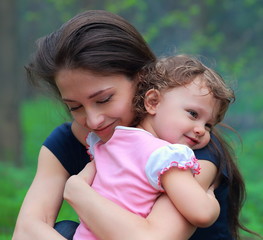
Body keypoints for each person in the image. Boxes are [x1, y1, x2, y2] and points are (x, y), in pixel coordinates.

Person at [12, 10, 255, 240]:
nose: (94, 120)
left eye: (104, 99)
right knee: (65, 230)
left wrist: (78, 191)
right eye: (75, 107)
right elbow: (26, 231)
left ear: (143, 83)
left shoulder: (187, 146)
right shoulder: (66, 141)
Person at [68, 54, 234, 240]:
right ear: (153, 102)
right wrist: (210, 197)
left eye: (208, 125)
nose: (201, 130)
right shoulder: (165, 156)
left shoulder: (108, 141)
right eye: (193, 114)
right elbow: (201, 214)